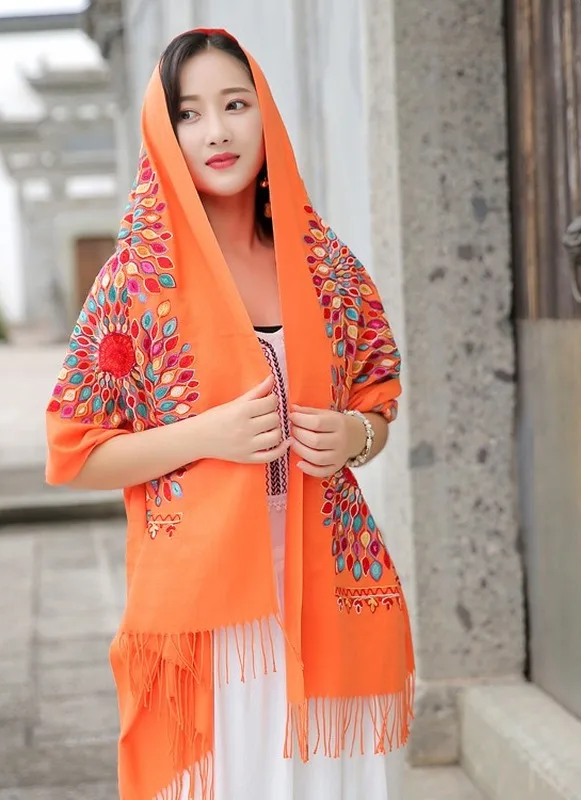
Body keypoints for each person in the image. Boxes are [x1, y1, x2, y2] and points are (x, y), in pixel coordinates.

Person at [46, 28, 414, 800]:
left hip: (325, 598)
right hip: (210, 619)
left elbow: (377, 396)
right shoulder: (136, 284)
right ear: (165, 132)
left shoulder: (328, 268)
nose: (216, 130)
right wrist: (205, 435)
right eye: (190, 113)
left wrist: (355, 436)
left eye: (235, 105)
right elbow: (76, 452)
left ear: (264, 114)